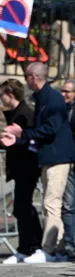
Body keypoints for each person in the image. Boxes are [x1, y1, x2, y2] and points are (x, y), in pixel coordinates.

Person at [1, 62, 75, 263]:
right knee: (52, 203)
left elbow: (50, 129)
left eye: (26, 77)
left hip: (57, 157)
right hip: (50, 156)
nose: (26, 82)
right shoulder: (45, 98)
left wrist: (21, 133)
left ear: (33, 77)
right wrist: (19, 138)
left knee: (52, 203)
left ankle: (48, 250)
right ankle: (58, 248)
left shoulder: (52, 99)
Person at [0, 78, 42, 263]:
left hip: (27, 167)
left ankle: (28, 248)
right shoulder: (17, 113)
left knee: (23, 208)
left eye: (2, 94)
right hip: (21, 167)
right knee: (23, 208)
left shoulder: (23, 114)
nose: (0, 98)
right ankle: (33, 246)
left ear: (10, 94)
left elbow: (18, 141)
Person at [61, 79, 75, 260]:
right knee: (69, 205)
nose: (64, 94)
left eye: (68, 92)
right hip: (69, 161)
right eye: (62, 91)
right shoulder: (62, 109)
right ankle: (70, 245)